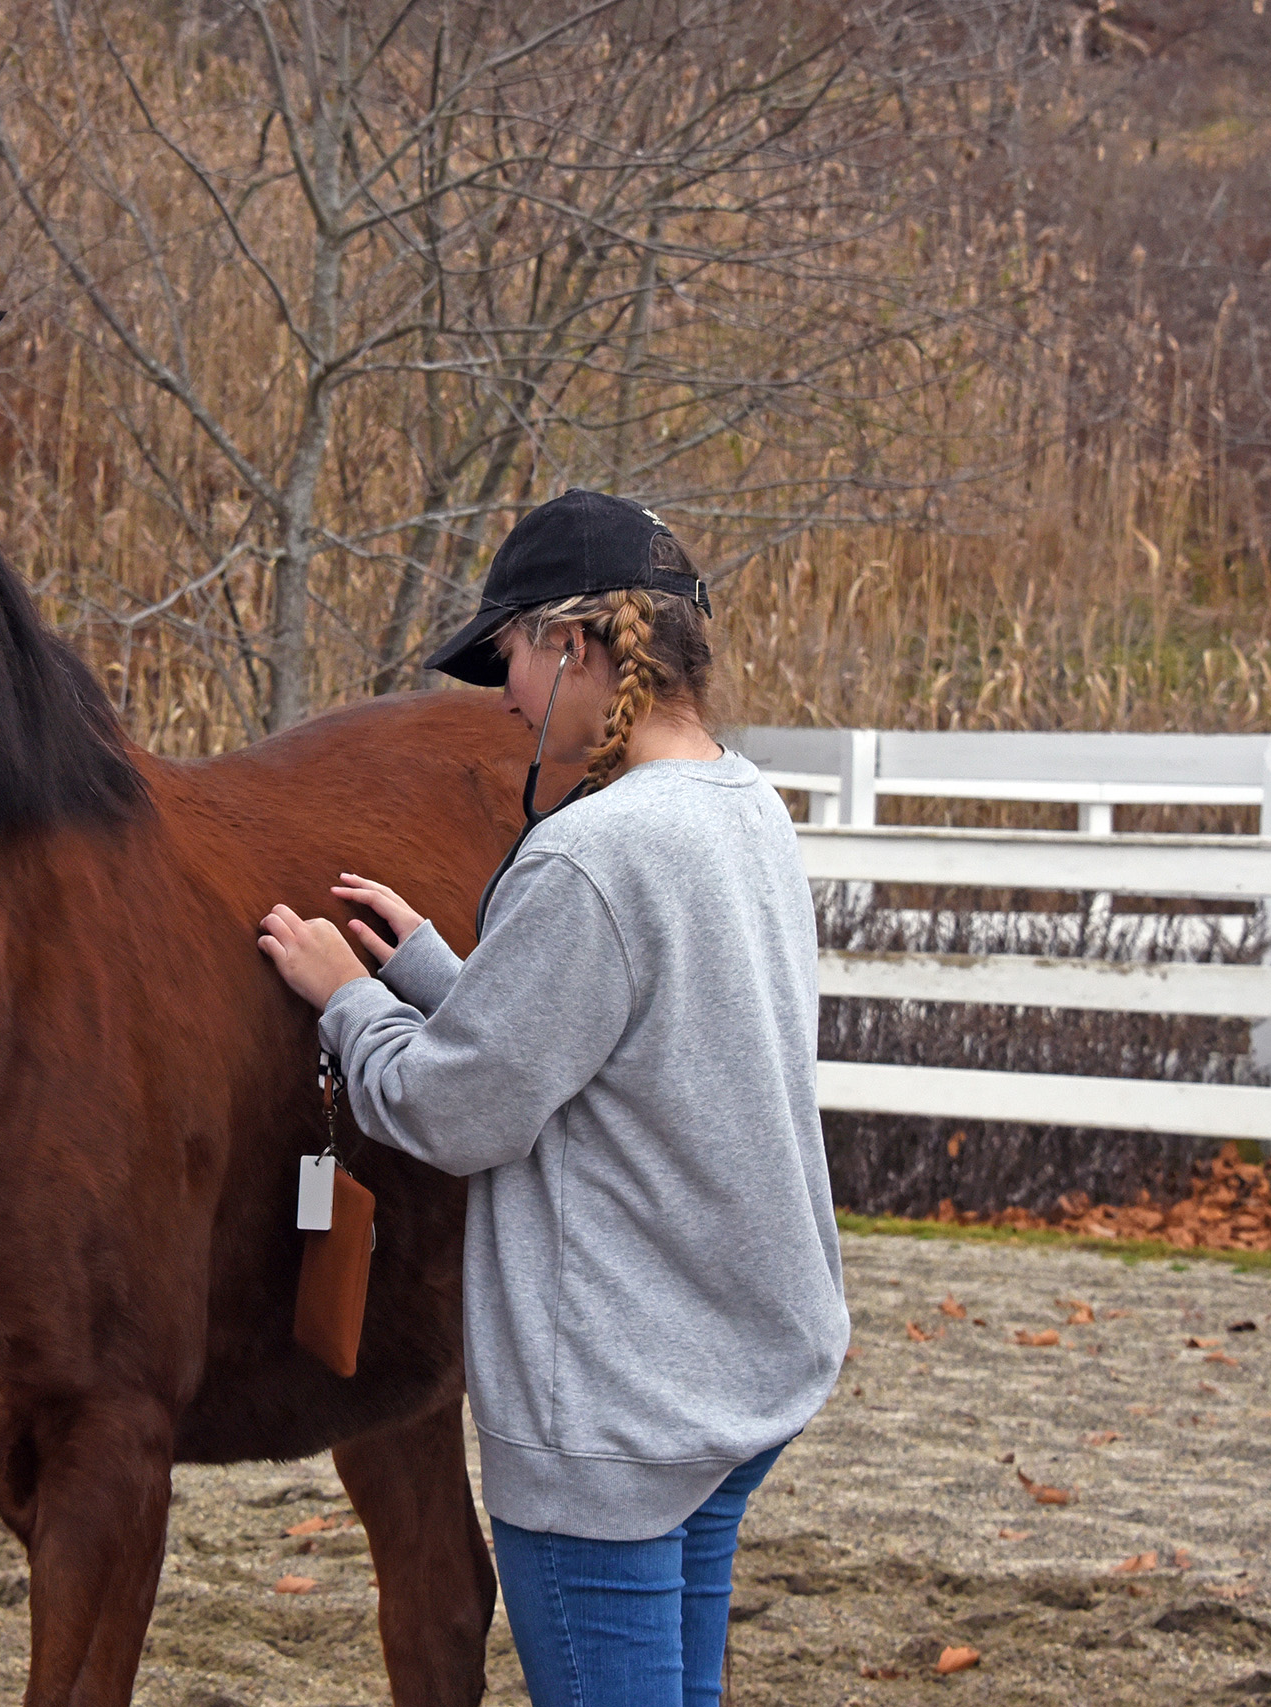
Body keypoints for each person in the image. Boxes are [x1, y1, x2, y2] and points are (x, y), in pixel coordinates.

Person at [254, 489, 850, 1707]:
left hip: (619, 1412)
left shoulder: (592, 852)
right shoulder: (742, 806)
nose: (506, 697)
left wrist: (344, 997)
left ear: (574, 645)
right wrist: (429, 965)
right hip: (737, 1375)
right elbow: (615, 1045)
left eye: (510, 658)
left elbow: (459, 1112)